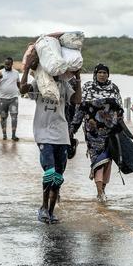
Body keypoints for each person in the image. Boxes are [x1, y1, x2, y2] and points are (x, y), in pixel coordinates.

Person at [20, 67, 82, 224]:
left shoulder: (64, 84)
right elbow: (22, 90)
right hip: (43, 133)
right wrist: (26, 69)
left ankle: (51, 211)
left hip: (61, 134)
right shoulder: (39, 81)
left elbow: (77, 100)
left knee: (58, 177)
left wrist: (78, 78)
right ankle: (43, 207)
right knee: (50, 172)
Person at [71, 64, 123, 202]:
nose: (102, 75)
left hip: (110, 132)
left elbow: (120, 110)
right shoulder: (88, 87)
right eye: (99, 72)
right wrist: (73, 127)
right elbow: (80, 108)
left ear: (108, 74)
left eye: (105, 72)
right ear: (95, 74)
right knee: (98, 161)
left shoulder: (114, 88)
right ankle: (100, 192)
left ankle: (103, 189)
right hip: (92, 133)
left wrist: (120, 127)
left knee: (107, 162)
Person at [0, 57, 21, 141]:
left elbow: (18, 84)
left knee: (14, 117)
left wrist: (22, 92)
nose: (6, 66)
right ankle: (4, 135)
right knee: (3, 117)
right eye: (5, 64)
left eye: (8, 64)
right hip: (2, 99)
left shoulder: (16, 73)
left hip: (14, 98)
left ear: (12, 64)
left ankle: (13, 135)